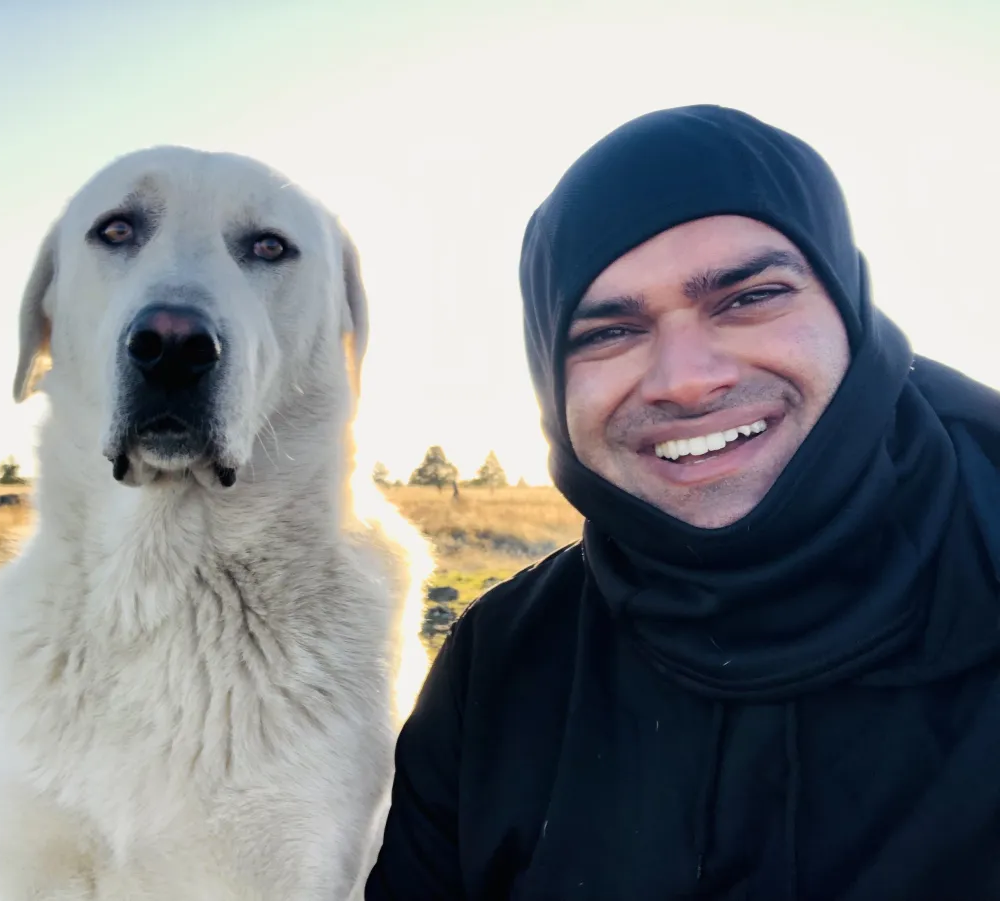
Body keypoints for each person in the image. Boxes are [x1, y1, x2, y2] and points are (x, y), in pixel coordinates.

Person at [364, 104, 1000, 900]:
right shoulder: (498, 672)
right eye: (607, 333)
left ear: (849, 310)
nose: (687, 379)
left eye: (749, 297)